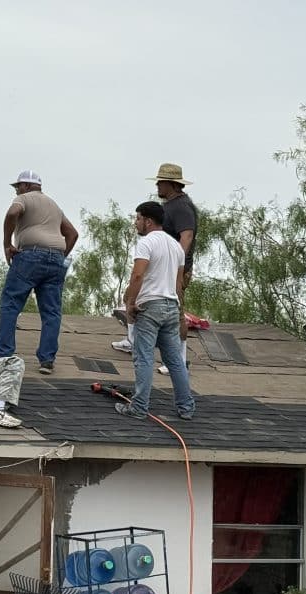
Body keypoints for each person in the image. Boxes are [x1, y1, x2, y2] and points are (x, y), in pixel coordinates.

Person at [112, 163, 198, 372]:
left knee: (176, 311)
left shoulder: (182, 206)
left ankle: (179, 358)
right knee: (134, 297)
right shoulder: (170, 205)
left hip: (173, 268)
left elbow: (186, 236)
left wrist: (175, 263)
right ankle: (133, 341)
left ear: (172, 185)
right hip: (160, 265)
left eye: (161, 182)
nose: (158, 185)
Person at [115, 201, 195, 420]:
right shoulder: (175, 246)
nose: (135, 223)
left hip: (150, 306)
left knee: (143, 358)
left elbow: (138, 275)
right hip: (171, 306)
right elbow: (178, 285)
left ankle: (139, 408)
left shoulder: (147, 243)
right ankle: (186, 407)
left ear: (148, 221)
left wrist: (130, 303)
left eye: (138, 218)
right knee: (175, 361)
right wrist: (180, 314)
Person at [0, 170, 78, 375]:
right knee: (51, 312)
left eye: (17, 187)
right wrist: (58, 256)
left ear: (25, 186)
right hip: (56, 259)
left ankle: (4, 356)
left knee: (10, 305)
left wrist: (8, 244)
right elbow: (72, 233)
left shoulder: (23, 199)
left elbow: (12, 213)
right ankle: (47, 360)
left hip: (29, 256)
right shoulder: (54, 205)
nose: (16, 191)